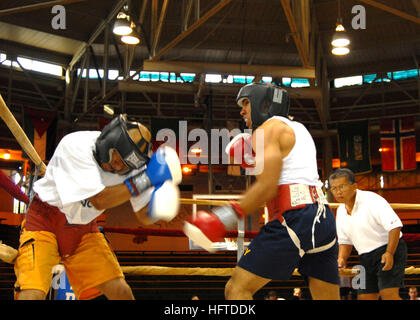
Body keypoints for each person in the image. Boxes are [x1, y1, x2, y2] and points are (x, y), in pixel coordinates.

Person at [184, 83, 340, 300]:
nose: (242, 111)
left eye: (246, 102)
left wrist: (222, 217)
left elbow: (267, 187)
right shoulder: (300, 129)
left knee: (236, 289)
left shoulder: (266, 129)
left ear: (263, 104)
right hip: (322, 220)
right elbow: (287, 176)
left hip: (295, 219)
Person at [13, 114, 182, 300]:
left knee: (121, 291)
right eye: (117, 156)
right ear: (109, 140)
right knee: (32, 294)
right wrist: (146, 180)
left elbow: (142, 215)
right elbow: (98, 200)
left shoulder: (136, 169)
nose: (117, 165)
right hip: (44, 222)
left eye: (125, 164)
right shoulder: (75, 145)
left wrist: (160, 208)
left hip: (83, 230)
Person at [329, 168, 407, 300]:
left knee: (389, 295)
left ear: (354, 186)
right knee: (365, 297)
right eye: (334, 188)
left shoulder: (372, 200)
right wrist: (342, 259)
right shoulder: (341, 210)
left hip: (388, 249)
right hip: (365, 257)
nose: (338, 192)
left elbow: (395, 226)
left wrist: (389, 253)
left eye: (342, 186)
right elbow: (345, 241)